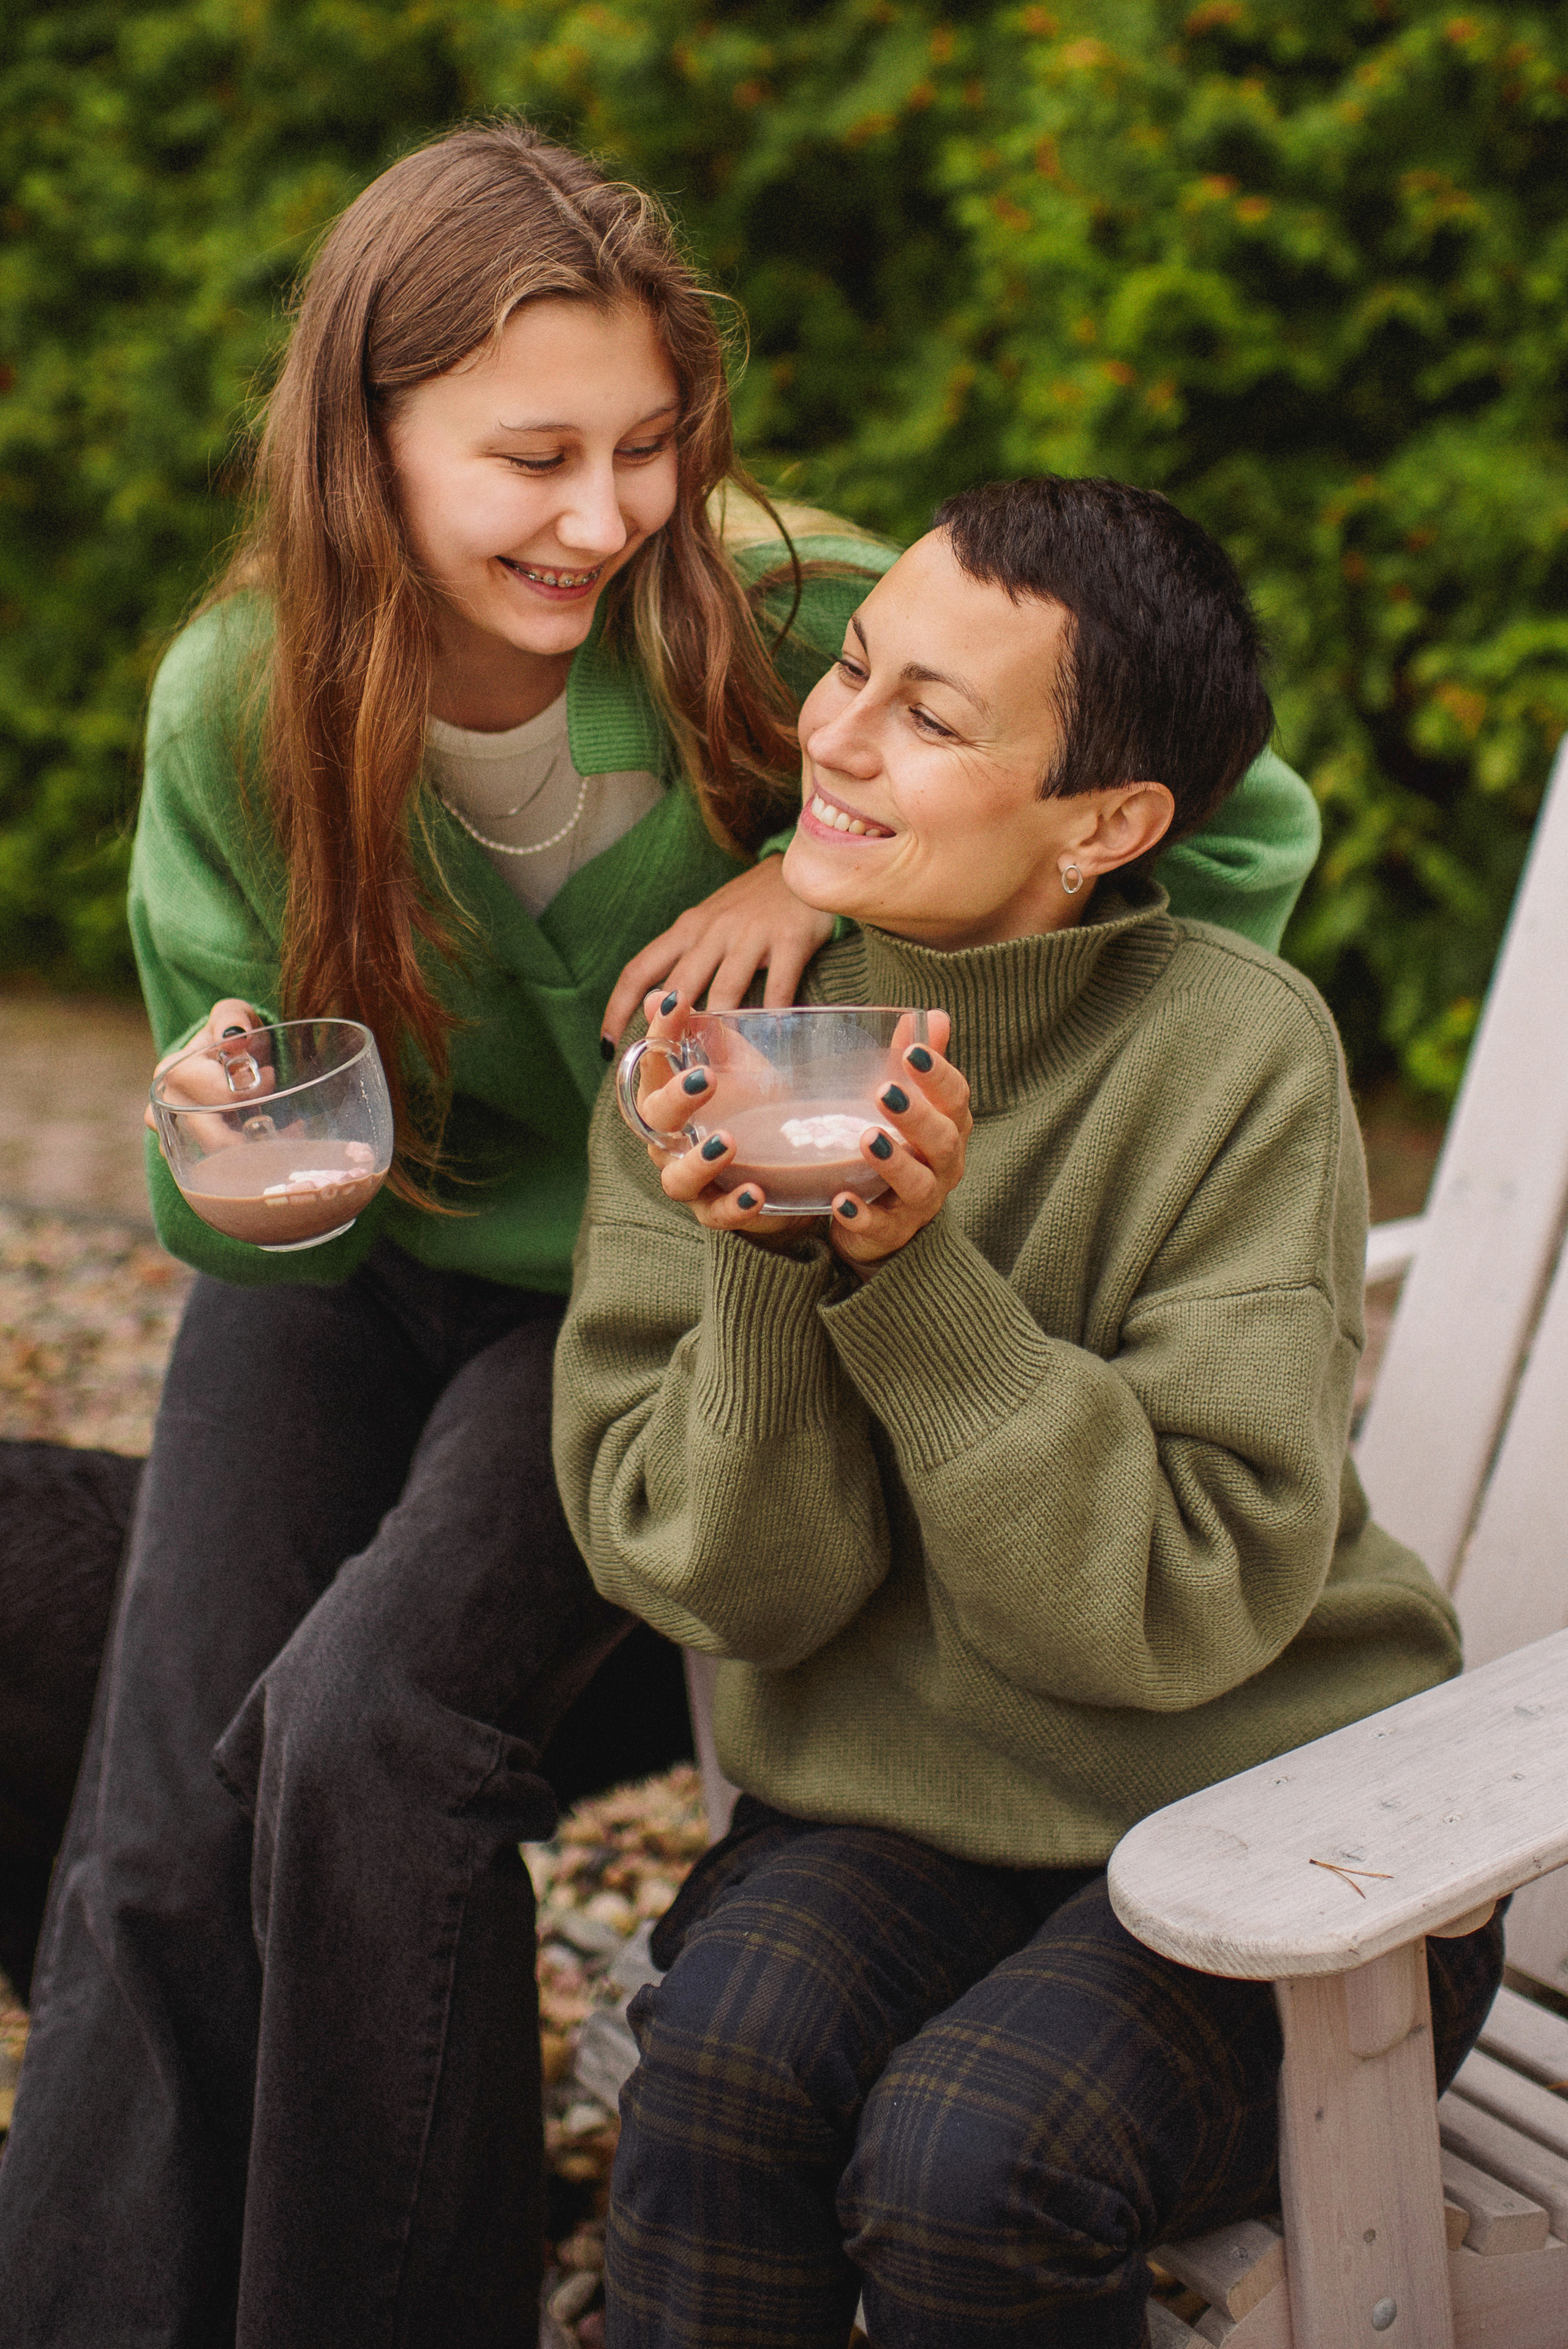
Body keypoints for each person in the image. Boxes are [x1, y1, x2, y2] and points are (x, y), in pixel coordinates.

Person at [0, 119, 1317, 2348]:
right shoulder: (243, 703)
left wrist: (811, 880)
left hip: (618, 1298)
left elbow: (1225, 806)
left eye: (645, 445)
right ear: (368, 438)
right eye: (531, 455)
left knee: (362, 1723)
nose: (604, 516)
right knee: (153, 1805)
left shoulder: (779, 610)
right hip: (348, 1275)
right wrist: (227, 1146)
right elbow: (274, 1219)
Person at [552, 475, 1504, 2349]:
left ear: (1111, 823)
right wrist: (758, 1244)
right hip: (904, 1803)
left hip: (1287, 1813)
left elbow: (1162, 1610)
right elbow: (743, 1594)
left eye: (933, 714)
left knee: (974, 2160)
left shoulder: (1236, 1053)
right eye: (857, 671)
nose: (835, 732)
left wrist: (915, 1280)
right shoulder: (707, 1050)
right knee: (721, 2078)